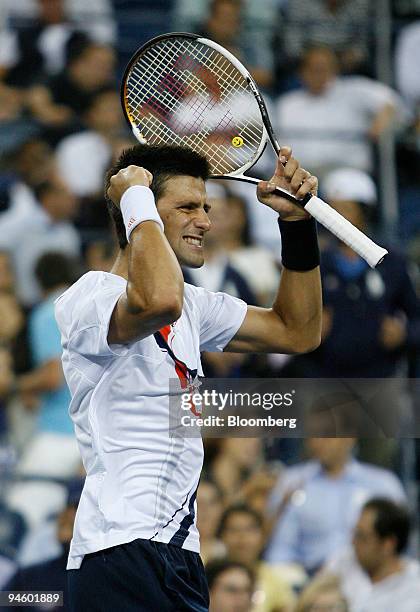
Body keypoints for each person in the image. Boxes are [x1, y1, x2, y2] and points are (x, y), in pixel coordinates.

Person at [54, 142, 322, 610]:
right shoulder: (89, 298)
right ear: (139, 213)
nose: (205, 221)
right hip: (122, 550)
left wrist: (295, 225)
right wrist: (134, 197)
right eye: (186, 207)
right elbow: (158, 300)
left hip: (173, 553)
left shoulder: (194, 305)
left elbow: (297, 331)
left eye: (206, 207)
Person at [265, 438, 406, 574]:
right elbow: (281, 549)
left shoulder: (384, 484)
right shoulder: (292, 481)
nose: (318, 442)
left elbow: (400, 546)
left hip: (370, 577)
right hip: (307, 579)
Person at [274, 46, 404, 179]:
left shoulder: (354, 90)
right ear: (302, 72)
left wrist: (380, 122)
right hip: (300, 174)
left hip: (347, 171)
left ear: (334, 70)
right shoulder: (287, 103)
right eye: (313, 69)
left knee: (344, 186)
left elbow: (392, 102)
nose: (318, 74)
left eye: (323, 68)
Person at [323, 498, 420, 612]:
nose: (353, 542)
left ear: (388, 544)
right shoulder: (345, 560)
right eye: (354, 533)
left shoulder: (415, 588)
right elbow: (311, 596)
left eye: (361, 536)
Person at [218, 503, 296, 612]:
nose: (242, 537)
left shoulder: (275, 580)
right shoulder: (207, 575)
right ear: (221, 537)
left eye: (249, 530)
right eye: (234, 530)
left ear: (263, 537)